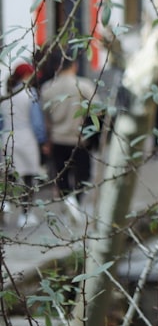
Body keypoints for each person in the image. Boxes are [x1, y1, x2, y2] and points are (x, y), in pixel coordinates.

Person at [39, 46, 99, 217]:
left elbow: (45, 119)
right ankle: (77, 202)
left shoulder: (47, 89)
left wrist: (46, 141)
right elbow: (99, 110)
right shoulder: (84, 86)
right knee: (83, 174)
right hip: (79, 139)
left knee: (61, 175)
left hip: (57, 139)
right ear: (74, 65)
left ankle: (68, 202)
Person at [2, 62, 46, 226]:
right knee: (28, 178)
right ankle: (25, 215)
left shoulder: (6, 96)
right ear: (27, 76)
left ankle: (5, 206)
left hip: (7, 139)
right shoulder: (30, 93)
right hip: (27, 138)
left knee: (9, 177)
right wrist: (42, 141)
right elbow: (37, 123)